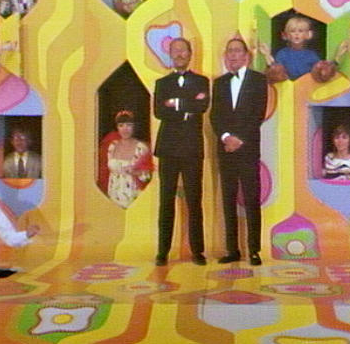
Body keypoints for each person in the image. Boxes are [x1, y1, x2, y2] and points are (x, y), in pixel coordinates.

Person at [211, 38, 268, 265]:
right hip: (226, 149)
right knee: (228, 199)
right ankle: (232, 249)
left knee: (252, 198)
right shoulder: (220, 83)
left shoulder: (258, 80)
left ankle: (253, 250)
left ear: (246, 55)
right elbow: (215, 116)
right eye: (229, 51)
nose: (233, 55)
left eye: (237, 51)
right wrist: (226, 137)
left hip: (248, 149)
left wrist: (240, 139)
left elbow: (258, 114)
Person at [153, 38, 209, 266]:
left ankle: (198, 251)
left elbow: (202, 106)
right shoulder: (162, 83)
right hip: (168, 148)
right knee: (166, 201)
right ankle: (162, 251)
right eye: (175, 51)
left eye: (183, 50)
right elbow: (159, 111)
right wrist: (186, 106)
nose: (179, 54)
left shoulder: (202, 81)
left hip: (192, 148)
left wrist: (174, 104)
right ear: (170, 54)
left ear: (190, 53)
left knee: (194, 201)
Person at [258, 15, 348, 82]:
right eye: (292, 31)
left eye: (300, 31)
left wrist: (337, 57)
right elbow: (276, 72)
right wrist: (267, 55)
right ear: (285, 35)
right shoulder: (282, 54)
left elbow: (321, 71)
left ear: (308, 35)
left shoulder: (311, 55)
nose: (296, 34)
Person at [107, 110, 153, 208]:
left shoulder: (141, 147)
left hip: (134, 198)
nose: (125, 129)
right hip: (113, 198)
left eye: (129, 125)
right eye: (121, 125)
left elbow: (147, 176)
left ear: (134, 126)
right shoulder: (112, 146)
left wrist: (134, 172)